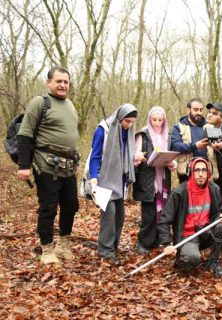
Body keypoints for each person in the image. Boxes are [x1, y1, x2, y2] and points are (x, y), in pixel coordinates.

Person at [17, 66, 79, 264]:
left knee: (71, 205)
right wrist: (24, 165)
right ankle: (47, 250)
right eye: (58, 81)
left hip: (69, 166)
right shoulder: (40, 103)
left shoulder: (70, 104)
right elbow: (25, 134)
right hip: (46, 165)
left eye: (66, 82)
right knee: (48, 208)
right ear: (49, 83)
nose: (62, 85)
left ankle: (63, 245)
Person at [157, 157, 222, 278]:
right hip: (187, 237)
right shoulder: (179, 193)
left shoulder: (214, 189)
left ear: (209, 172)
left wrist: (221, 217)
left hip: (206, 232)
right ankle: (183, 257)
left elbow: (219, 210)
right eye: (197, 170)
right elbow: (164, 221)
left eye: (204, 170)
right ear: (190, 172)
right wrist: (166, 243)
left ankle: (213, 261)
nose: (200, 174)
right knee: (192, 259)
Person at [88, 103, 138, 266]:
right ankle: (105, 251)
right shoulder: (104, 129)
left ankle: (112, 247)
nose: (129, 125)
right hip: (104, 179)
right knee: (109, 216)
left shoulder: (128, 133)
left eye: (132, 122)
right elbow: (95, 155)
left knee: (119, 217)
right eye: (127, 121)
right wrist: (94, 176)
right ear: (120, 118)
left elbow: (126, 157)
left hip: (119, 181)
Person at [133, 106, 177, 254]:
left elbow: (171, 155)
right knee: (149, 213)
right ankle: (144, 242)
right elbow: (135, 154)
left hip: (163, 178)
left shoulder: (168, 136)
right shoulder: (143, 134)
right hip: (147, 178)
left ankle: (158, 240)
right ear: (149, 119)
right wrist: (138, 157)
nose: (157, 123)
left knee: (162, 211)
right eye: (154, 119)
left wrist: (172, 163)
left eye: (160, 120)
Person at [171, 98, 212, 184]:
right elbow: (175, 146)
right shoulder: (179, 126)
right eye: (195, 109)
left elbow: (216, 145)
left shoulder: (209, 126)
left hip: (205, 170)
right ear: (188, 110)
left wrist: (219, 146)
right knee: (186, 196)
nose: (199, 113)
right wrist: (195, 146)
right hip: (186, 171)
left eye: (201, 110)